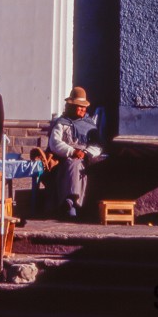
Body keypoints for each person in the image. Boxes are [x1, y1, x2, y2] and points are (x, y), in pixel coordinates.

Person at [48, 85, 98, 220]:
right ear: (71, 106)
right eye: (78, 106)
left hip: (86, 157)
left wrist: (86, 153)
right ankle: (72, 203)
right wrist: (71, 151)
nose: (82, 109)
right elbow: (54, 143)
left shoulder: (90, 125)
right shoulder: (61, 123)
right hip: (65, 158)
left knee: (82, 166)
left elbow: (97, 145)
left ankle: (77, 203)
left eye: (84, 106)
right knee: (74, 165)